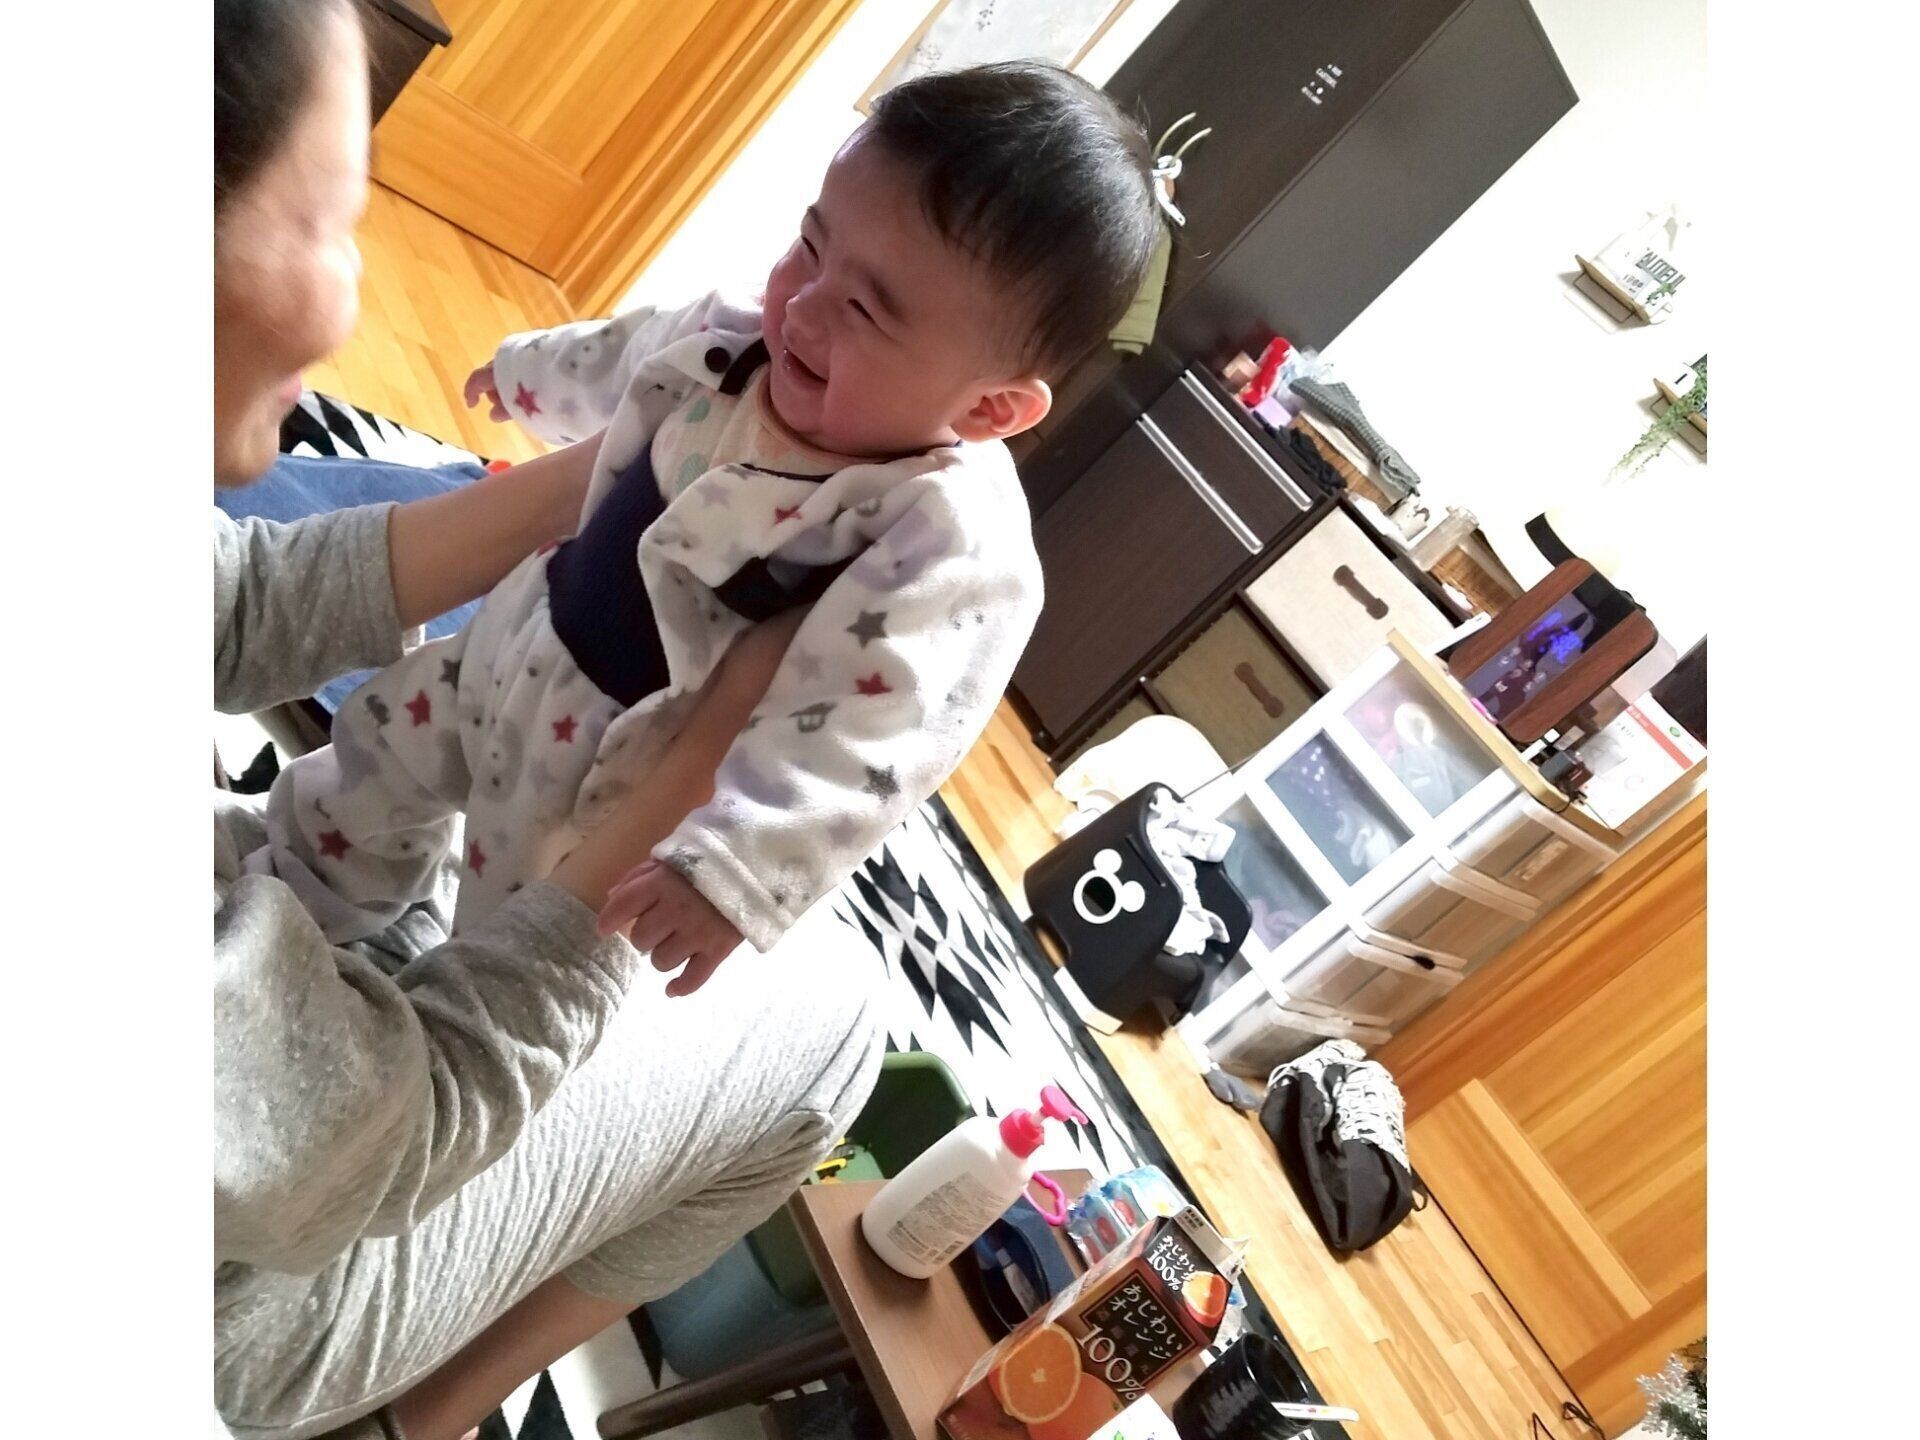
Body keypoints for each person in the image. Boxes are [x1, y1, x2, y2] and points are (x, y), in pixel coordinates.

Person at [213, 4, 880, 1437]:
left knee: (411, 815)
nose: (350, 298)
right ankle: (426, 1418)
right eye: (334, 220)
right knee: (839, 1018)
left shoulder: (934, 539)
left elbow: (230, 596)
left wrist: (599, 476)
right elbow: (411, 1121)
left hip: (276, 967)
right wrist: (698, 781)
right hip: (228, 1280)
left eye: (874, 305)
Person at [247, 62, 1164, 997]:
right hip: (514, 635)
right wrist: (525, 374)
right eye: (811, 245)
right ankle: (299, 896)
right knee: (373, 755)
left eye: (863, 309)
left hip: (605, 778)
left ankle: (403, 1012)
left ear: (990, 408)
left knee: (503, 940)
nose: (802, 306)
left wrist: (735, 871)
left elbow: (875, 742)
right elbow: (627, 353)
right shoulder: (736, 339)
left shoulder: (944, 537)